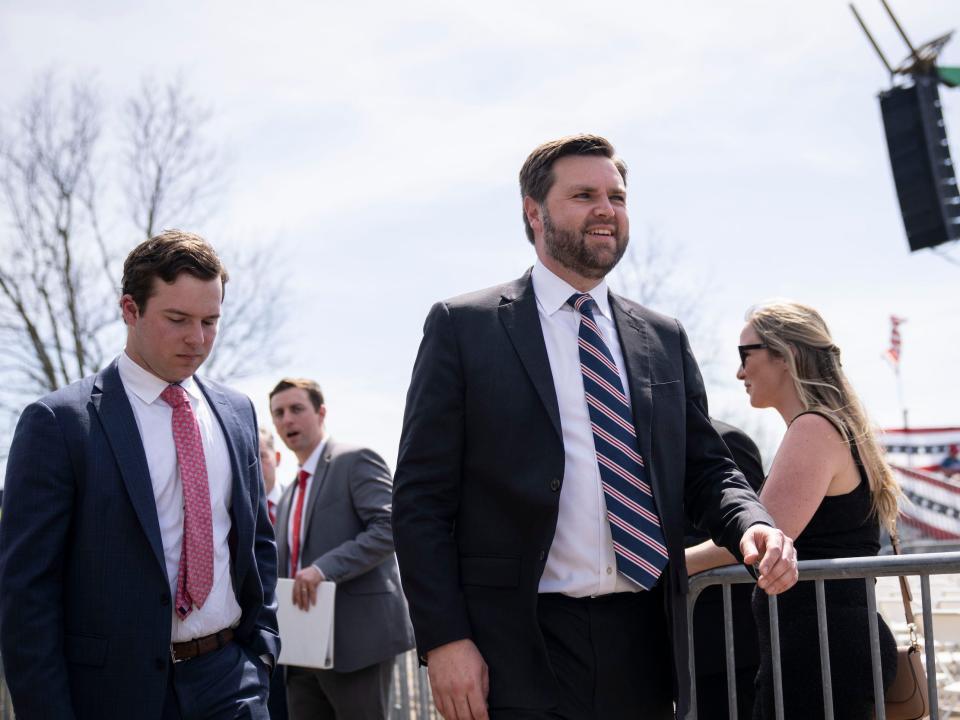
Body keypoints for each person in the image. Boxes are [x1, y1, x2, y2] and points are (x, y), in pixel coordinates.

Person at [392, 134, 798, 720]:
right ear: (534, 213)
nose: (606, 209)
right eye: (584, 194)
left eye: (617, 196)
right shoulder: (464, 328)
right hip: (517, 643)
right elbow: (420, 500)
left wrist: (752, 524)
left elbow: (707, 469)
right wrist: (444, 639)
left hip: (645, 637)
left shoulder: (662, 335)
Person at [0, 230, 280, 720]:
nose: (197, 339)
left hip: (231, 682)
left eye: (210, 321)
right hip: (112, 696)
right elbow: (26, 592)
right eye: (178, 320)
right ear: (130, 310)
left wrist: (260, 652)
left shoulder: (237, 413)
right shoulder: (59, 423)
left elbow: (257, 542)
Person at [688, 300, 901, 719]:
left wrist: (667, 567)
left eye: (745, 354)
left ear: (784, 356)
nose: (739, 372)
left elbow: (756, 540)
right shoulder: (826, 427)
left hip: (822, 652)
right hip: (821, 649)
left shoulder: (813, 429)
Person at [269, 377, 414, 720]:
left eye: (296, 409)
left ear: (321, 413)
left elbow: (390, 528)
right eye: (278, 412)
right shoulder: (289, 493)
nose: (287, 419)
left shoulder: (355, 460)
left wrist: (324, 569)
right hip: (302, 652)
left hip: (357, 644)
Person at [684, 419, 765, 720]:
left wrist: (668, 562)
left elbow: (752, 527)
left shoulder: (726, 441)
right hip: (684, 649)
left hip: (731, 651)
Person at [258, 427, 289, 720]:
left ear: (277, 458)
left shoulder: (300, 500)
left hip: (306, 641)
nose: (255, 464)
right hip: (258, 646)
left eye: (262, 456)